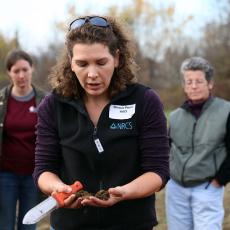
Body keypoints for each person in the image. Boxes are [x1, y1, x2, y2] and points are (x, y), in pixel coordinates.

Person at [33, 15, 169, 230]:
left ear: (117, 58)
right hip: (71, 224)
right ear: (70, 62)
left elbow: (158, 171)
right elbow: (43, 170)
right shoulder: (53, 105)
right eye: (82, 64)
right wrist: (59, 188)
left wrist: (124, 192)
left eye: (101, 62)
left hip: (131, 223)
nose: (92, 74)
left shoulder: (144, 101)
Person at [166, 56, 230, 230]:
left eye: (199, 81)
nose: (193, 86)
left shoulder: (226, 111)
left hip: (208, 187)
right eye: (189, 81)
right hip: (176, 189)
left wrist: (220, 180)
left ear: (210, 84)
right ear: (184, 85)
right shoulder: (175, 116)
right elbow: (167, 149)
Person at [0, 49, 45, 230]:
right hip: (5, 175)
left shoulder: (45, 100)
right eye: (16, 71)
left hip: (33, 176)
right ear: (9, 73)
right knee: (4, 224)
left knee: (28, 224)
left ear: (32, 68)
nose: (21, 75)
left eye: (25, 70)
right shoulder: (2, 101)